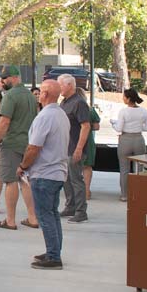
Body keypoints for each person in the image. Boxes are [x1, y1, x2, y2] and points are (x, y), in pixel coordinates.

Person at [15, 80, 71, 269]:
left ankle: (54, 256)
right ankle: (53, 251)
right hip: (57, 172)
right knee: (52, 214)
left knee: (45, 215)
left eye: (41, 91)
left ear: (45, 94)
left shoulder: (45, 116)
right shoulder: (60, 114)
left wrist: (23, 165)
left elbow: (34, 147)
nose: (38, 94)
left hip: (45, 173)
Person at [0, 66, 39, 231]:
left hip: (11, 144)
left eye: (5, 78)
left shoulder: (10, 96)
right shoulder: (31, 96)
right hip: (28, 143)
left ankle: (10, 220)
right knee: (25, 181)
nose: (3, 82)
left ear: (15, 77)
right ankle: (32, 217)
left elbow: (4, 122)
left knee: (10, 181)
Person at [57, 74, 91, 223]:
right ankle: (70, 206)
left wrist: (79, 148)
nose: (59, 88)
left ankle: (81, 211)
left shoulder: (79, 103)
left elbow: (86, 126)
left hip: (75, 148)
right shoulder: (64, 102)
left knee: (76, 179)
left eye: (61, 85)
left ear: (70, 85)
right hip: (65, 148)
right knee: (66, 179)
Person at [110, 88, 147, 201]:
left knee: (124, 169)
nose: (123, 98)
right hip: (139, 139)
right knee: (140, 169)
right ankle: (139, 194)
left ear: (128, 99)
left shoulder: (123, 111)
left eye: (124, 97)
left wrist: (113, 123)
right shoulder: (144, 111)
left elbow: (119, 128)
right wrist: (137, 126)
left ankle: (125, 195)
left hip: (125, 139)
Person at [82, 102, 102, 199]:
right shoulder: (90, 110)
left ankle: (74, 192)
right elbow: (96, 127)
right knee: (87, 166)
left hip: (72, 140)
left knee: (72, 168)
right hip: (87, 140)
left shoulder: (67, 108)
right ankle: (86, 192)